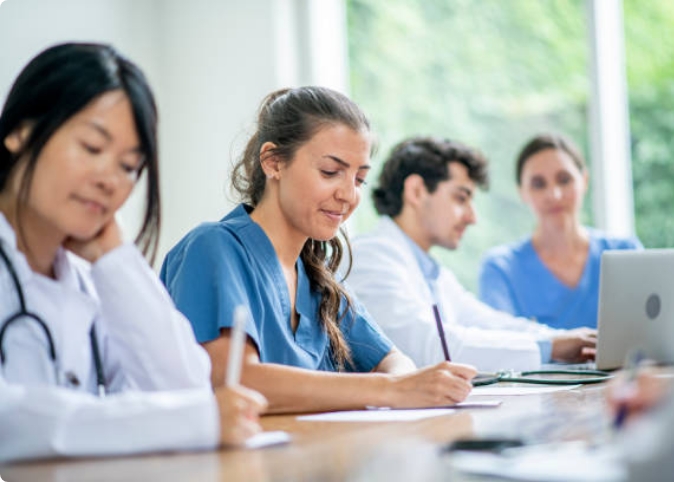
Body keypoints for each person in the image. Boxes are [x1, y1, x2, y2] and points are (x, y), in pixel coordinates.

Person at [0, 43, 266, 463]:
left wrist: (116, 260)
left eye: (128, 166)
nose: (110, 179)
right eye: (91, 147)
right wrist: (187, 421)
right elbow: (11, 420)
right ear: (20, 132)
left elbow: (184, 390)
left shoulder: (89, 280)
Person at [161, 87, 476, 414]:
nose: (348, 195)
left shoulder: (316, 279)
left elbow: (396, 363)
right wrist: (390, 389)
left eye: (359, 179)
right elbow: (236, 381)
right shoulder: (213, 248)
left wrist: (402, 384)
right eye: (330, 172)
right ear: (273, 163)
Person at [347, 137, 596, 373]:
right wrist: (550, 347)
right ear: (416, 191)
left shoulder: (431, 271)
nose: (472, 217)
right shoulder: (370, 257)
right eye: (461, 198)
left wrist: (561, 339)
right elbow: (427, 346)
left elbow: (487, 322)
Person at [479, 133, 642, 329]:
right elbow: (501, 344)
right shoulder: (500, 268)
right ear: (522, 192)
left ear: (584, 180)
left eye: (564, 180)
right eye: (538, 184)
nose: (554, 195)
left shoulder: (626, 252)